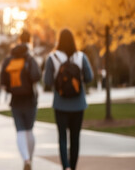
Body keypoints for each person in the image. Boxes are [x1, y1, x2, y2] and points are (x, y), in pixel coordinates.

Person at [43, 28, 93, 170]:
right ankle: (73, 166)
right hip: (78, 104)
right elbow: (89, 77)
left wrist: (60, 82)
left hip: (60, 103)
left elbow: (47, 81)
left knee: (62, 137)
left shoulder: (53, 57)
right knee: (75, 138)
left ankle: (65, 166)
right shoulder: (81, 56)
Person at [0, 30, 41, 170]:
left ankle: (25, 158)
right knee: (29, 130)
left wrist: (12, 88)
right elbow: (36, 76)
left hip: (15, 100)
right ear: (29, 40)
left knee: (20, 131)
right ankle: (30, 158)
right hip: (30, 99)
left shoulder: (9, 59)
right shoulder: (29, 57)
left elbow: (2, 79)